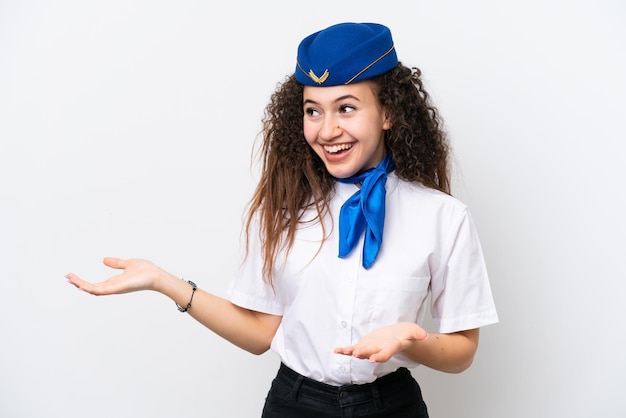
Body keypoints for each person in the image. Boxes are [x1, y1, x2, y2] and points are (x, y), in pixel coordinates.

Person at [66, 22, 498, 417]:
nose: (326, 131)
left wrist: (410, 338)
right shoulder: (286, 208)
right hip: (295, 406)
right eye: (313, 110)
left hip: (392, 407)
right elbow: (259, 334)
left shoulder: (443, 218)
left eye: (346, 108)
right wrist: (164, 281)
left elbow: (463, 351)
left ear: (388, 113)